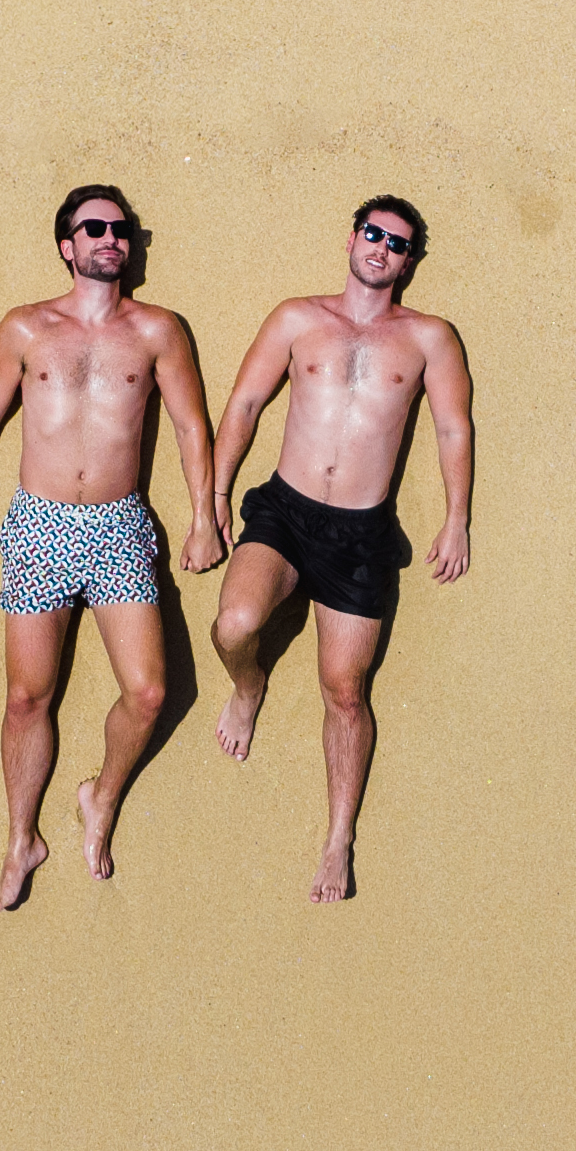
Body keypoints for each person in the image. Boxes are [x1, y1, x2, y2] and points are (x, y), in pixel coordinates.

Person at [0, 184, 223, 910]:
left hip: (119, 525)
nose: (109, 239)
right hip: (40, 524)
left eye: (121, 230)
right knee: (28, 697)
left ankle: (101, 793)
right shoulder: (26, 329)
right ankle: (21, 839)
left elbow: (190, 426)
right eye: (93, 228)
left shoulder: (157, 330)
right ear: (67, 244)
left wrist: (204, 517)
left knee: (149, 692)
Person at [207, 195, 475, 901]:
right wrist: (211, 501)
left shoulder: (429, 338)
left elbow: (452, 427)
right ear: (352, 237)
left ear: (410, 261)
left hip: (361, 531)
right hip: (286, 513)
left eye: (398, 242)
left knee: (346, 691)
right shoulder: (298, 318)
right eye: (373, 233)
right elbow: (242, 406)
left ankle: (337, 839)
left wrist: (457, 519)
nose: (382, 247)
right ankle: (248, 685)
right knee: (234, 625)